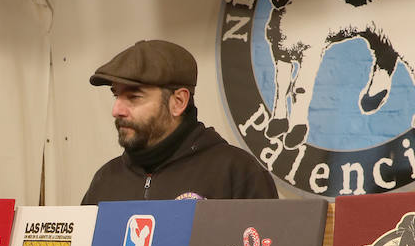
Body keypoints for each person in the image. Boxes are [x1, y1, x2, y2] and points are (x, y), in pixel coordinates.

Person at [81, 40, 278, 203]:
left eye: (134, 97)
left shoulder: (238, 174)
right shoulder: (105, 180)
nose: (117, 110)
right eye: (116, 95)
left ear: (178, 102)